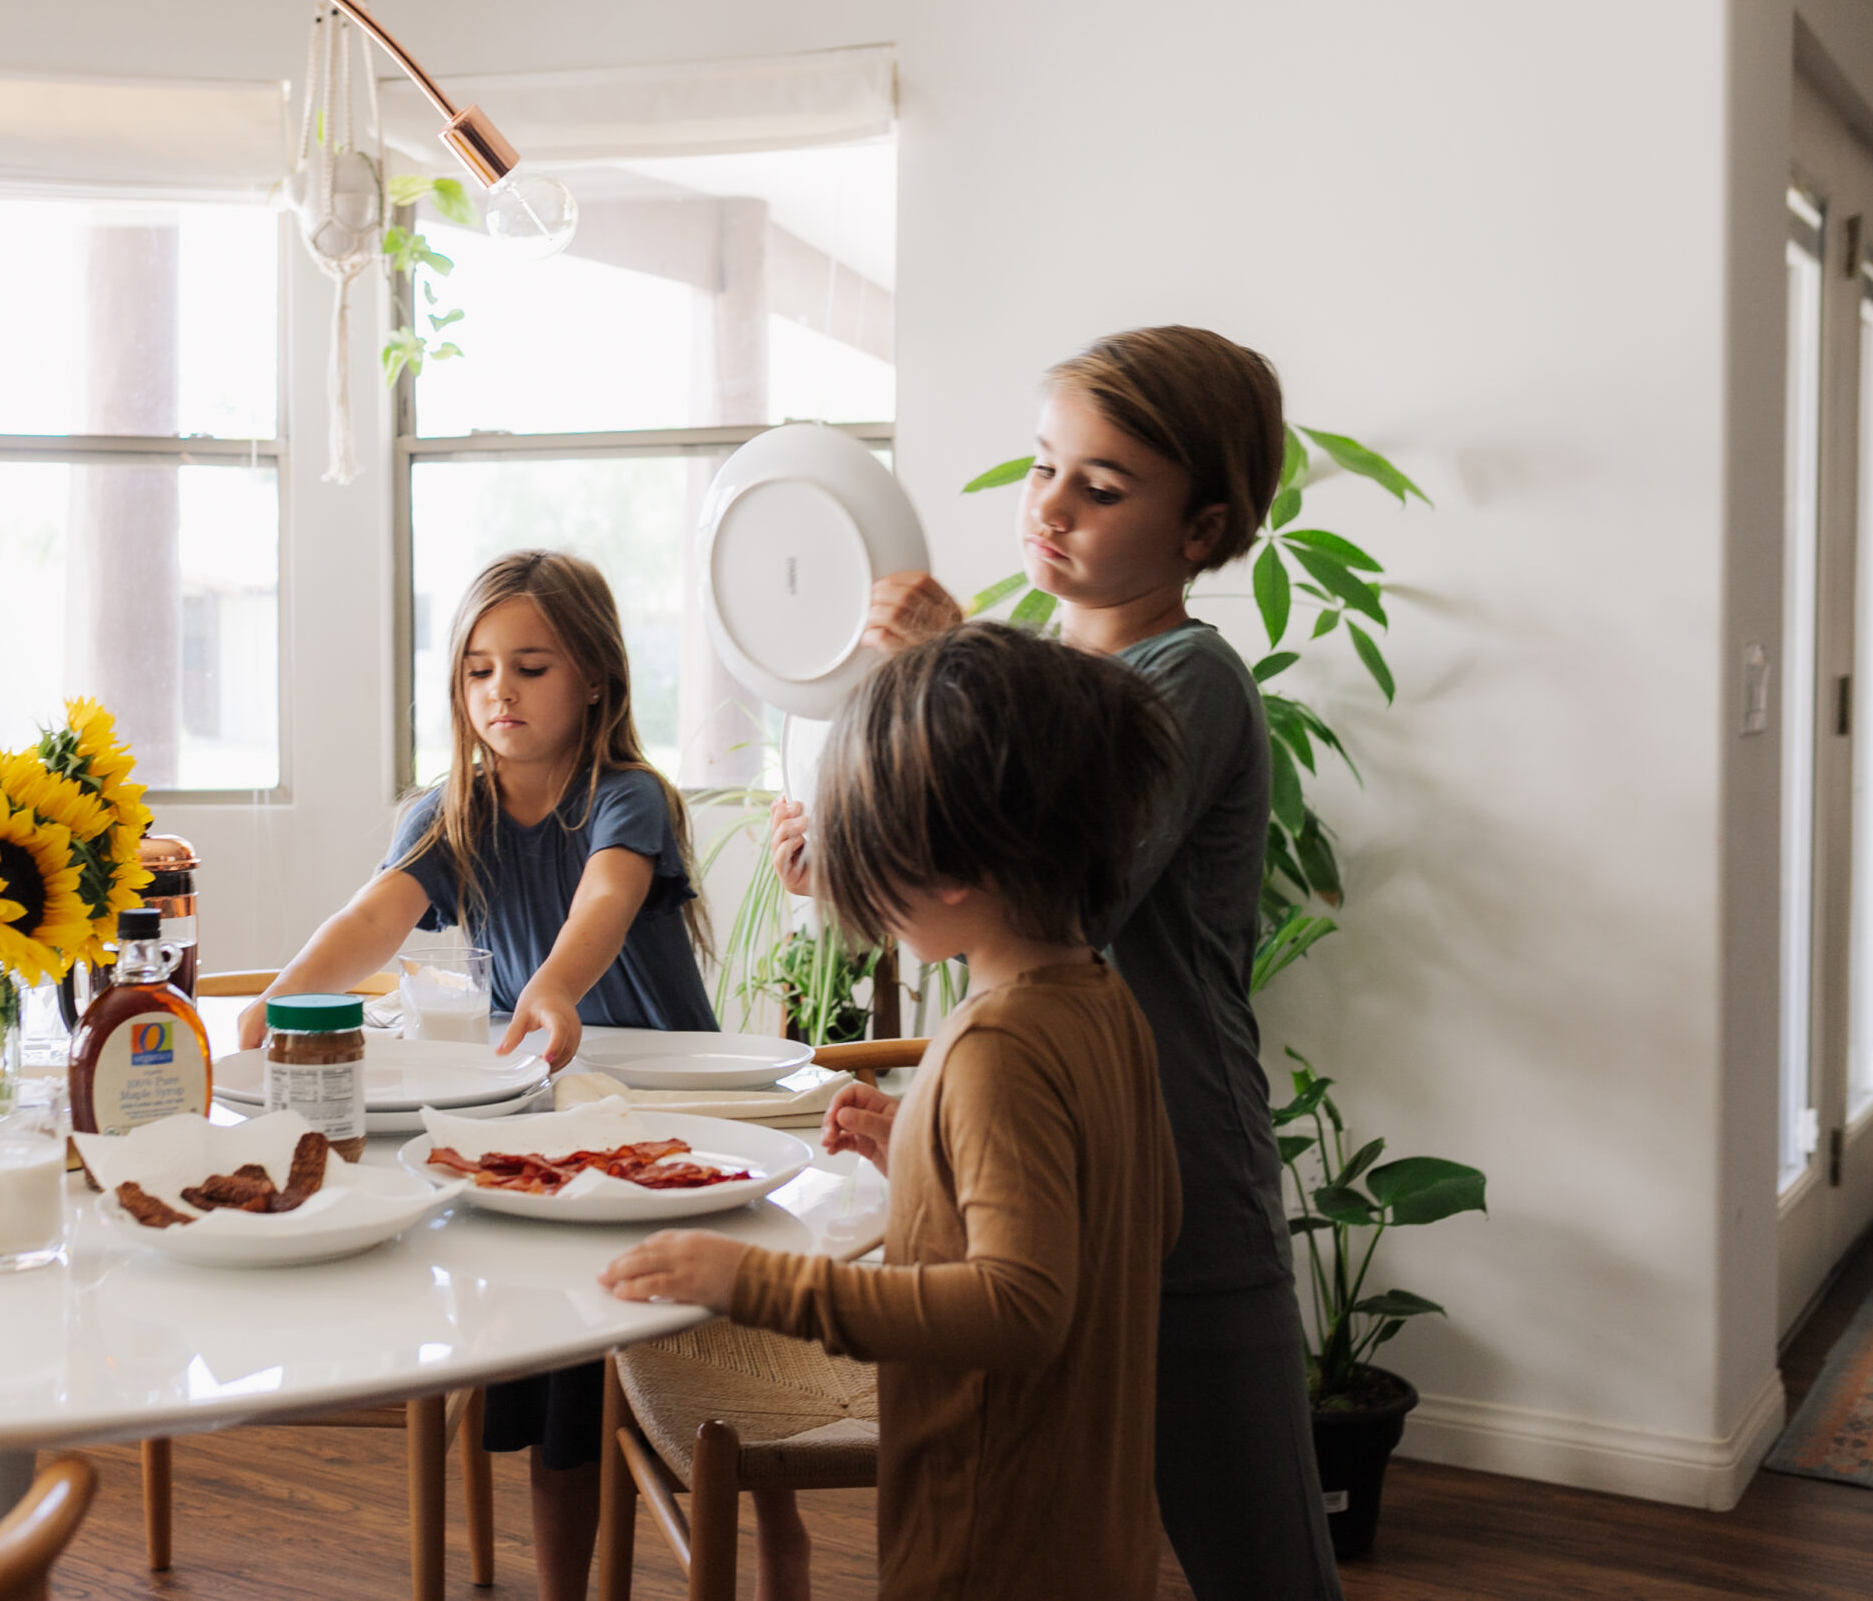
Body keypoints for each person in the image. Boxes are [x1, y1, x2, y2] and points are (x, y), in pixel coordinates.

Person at [768, 325, 1345, 1599]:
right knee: (1060, 1531)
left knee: (1261, 1561)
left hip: (1179, 1181)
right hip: (1048, 1186)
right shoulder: (1049, 685)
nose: (1051, 506)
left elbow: (1062, 890)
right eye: (1044, 467)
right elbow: (995, 954)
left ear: (1200, 531)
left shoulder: (1184, 676)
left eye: (1102, 485)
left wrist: (943, 666)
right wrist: (855, 865)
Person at [602, 619, 1184, 1599]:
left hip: (989, 1538)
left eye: (863, 839)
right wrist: (923, 1152)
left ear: (951, 872)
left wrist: (756, 1283)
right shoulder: (1101, 1003)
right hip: (1098, 1521)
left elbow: (1019, 1305)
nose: (851, 872)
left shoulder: (996, 1048)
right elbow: (1146, 1216)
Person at [238, 549, 714, 1601]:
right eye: (477, 671)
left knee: (585, 1364)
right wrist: (283, 996)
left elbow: (604, 900)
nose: (501, 692)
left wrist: (550, 992)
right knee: (554, 1366)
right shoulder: (449, 811)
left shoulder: (628, 797)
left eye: (532, 667)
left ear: (595, 675)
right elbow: (373, 919)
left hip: (665, 1122)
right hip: (544, 1122)